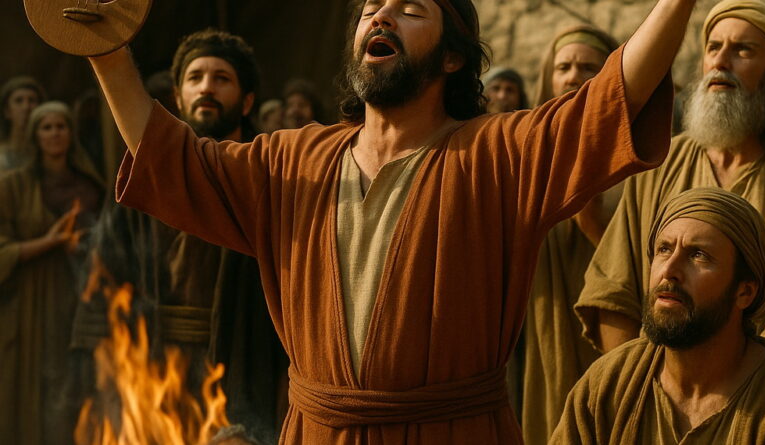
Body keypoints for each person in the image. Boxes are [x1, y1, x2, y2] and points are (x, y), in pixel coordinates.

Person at [87, 0, 692, 442]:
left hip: (453, 434)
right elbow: (177, 161)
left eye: (408, 10)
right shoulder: (290, 161)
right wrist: (106, 49)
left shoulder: (500, 155)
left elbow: (614, 96)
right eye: (371, 8)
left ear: (453, 55)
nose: (380, 17)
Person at [72, 28, 287, 442]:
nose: (207, 87)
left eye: (221, 78)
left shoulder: (269, 183)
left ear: (246, 101)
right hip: (154, 370)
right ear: (177, 94)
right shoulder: (140, 179)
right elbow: (105, 276)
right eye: (195, 77)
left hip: (240, 364)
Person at [577, 0, 765, 357]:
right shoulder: (659, 162)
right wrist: (642, 386)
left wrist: (741, 387)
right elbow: (613, 291)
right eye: (713, 47)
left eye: (743, 50)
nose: (721, 62)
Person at [550, 188, 765, 444]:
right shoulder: (609, 384)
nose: (669, 270)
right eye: (664, 249)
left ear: (744, 292)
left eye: (698, 255)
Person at [516, 25, 618, 445]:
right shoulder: (524, 150)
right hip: (541, 322)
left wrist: (588, 213)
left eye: (587, 67)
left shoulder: (639, 153)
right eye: (564, 66)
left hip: (611, 323)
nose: (573, 76)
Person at [0, 101, 104, 445]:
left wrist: (86, 249)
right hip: (27, 305)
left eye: (62, 126)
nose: (55, 133)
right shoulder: (12, 187)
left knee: (72, 387)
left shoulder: (90, 186)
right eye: (47, 127)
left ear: (72, 134)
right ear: (35, 135)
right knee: (28, 387)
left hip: (77, 301)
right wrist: (52, 242)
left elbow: (110, 244)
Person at [0, 76, 46, 171]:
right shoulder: (1, 156)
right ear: (7, 111)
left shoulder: (49, 154)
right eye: (19, 101)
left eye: (32, 100)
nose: (26, 107)